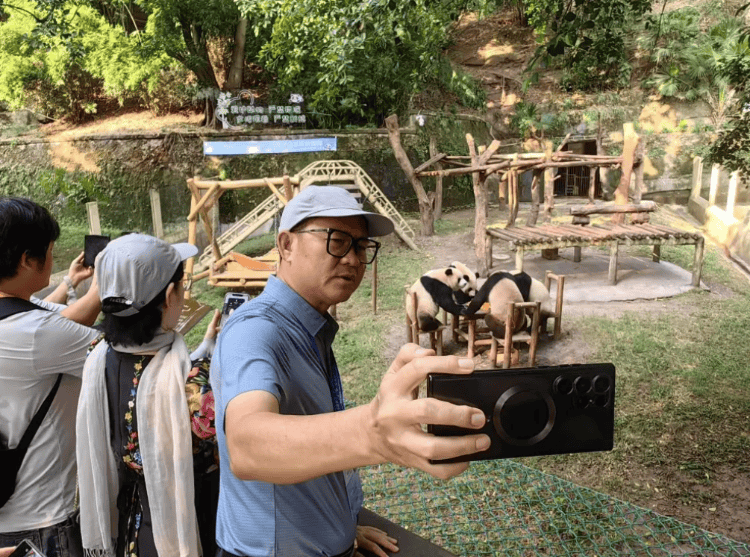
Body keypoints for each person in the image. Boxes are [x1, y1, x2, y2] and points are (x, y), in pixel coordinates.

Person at [212, 186, 491, 557]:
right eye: (337, 241)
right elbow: (248, 447)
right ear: (286, 244)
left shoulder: (309, 327)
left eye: (361, 247)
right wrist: (372, 433)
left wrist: (341, 528)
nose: (353, 259)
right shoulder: (255, 330)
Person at [75, 233, 221, 557]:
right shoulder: (194, 384)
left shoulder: (97, 357)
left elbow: (146, 386)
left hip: (131, 527)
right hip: (187, 530)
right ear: (170, 296)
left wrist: (204, 348)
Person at [0, 197, 102, 557]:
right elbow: (117, 352)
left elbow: (49, 318)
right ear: (28, 259)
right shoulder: (36, 334)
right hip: (39, 525)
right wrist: (113, 284)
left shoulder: (29, 324)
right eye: (49, 252)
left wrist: (72, 285)